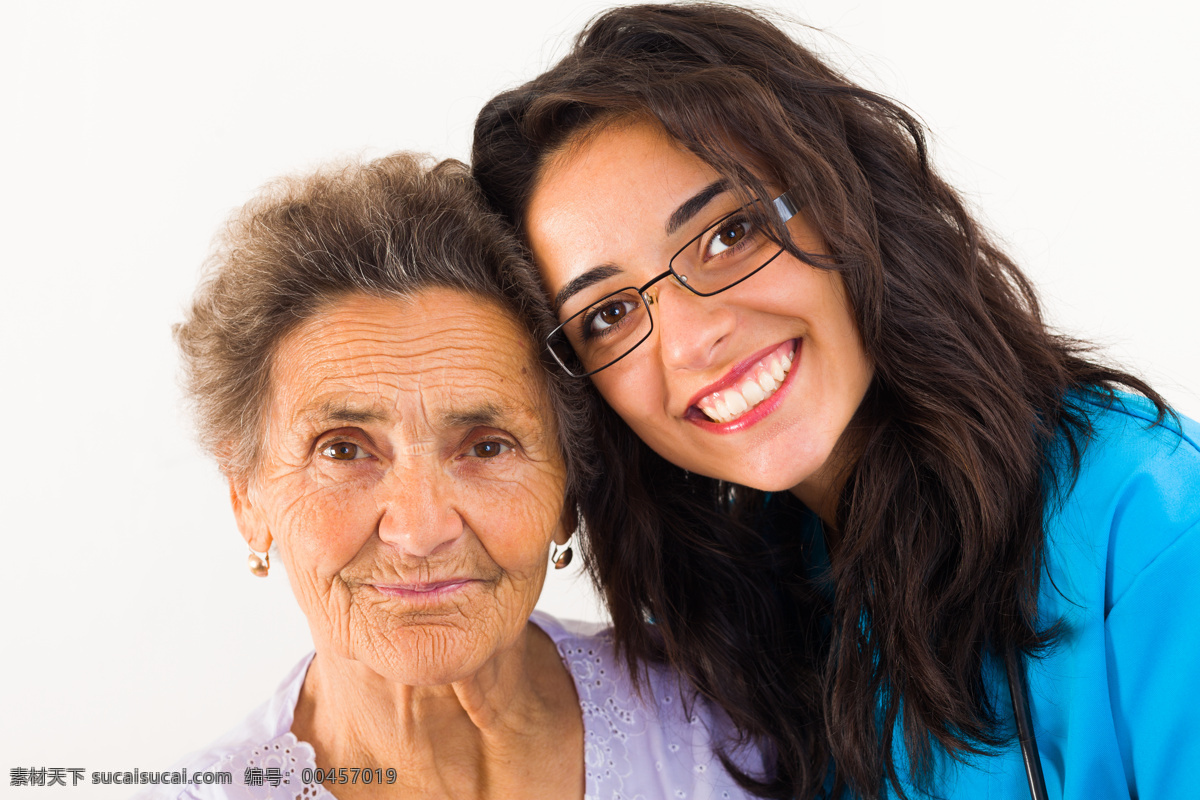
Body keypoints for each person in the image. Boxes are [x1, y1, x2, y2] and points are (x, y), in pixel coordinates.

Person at [470, 4, 1200, 798]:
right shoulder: (734, 620)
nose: (690, 342)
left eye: (729, 233)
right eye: (608, 315)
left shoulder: (1150, 523)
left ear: (851, 197)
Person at [150, 153, 762, 800]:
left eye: (488, 447)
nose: (421, 531)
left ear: (565, 493)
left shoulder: (727, 726)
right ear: (247, 498)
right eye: (343, 451)